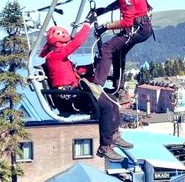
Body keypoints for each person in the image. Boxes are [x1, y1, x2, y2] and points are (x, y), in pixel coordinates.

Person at [40, 21, 133, 162]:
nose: (66, 46)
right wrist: (86, 25)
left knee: (112, 100)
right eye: (65, 43)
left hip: (74, 94)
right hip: (70, 98)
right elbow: (76, 43)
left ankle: (114, 134)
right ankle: (105, 146)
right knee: (107, 106)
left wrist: (94, 66)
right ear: (59, 43)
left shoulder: (59, 59)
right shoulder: (55, 56)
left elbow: (74, 72)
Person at [86, 0, 154, 103]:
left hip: (137, 29)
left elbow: (127, 22)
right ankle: (119, 89)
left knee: (107, 48)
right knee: (117, 52)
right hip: (143, 27)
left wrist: (105, 27)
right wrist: (104, 10)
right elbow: (120, 3)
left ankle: (97, 86)